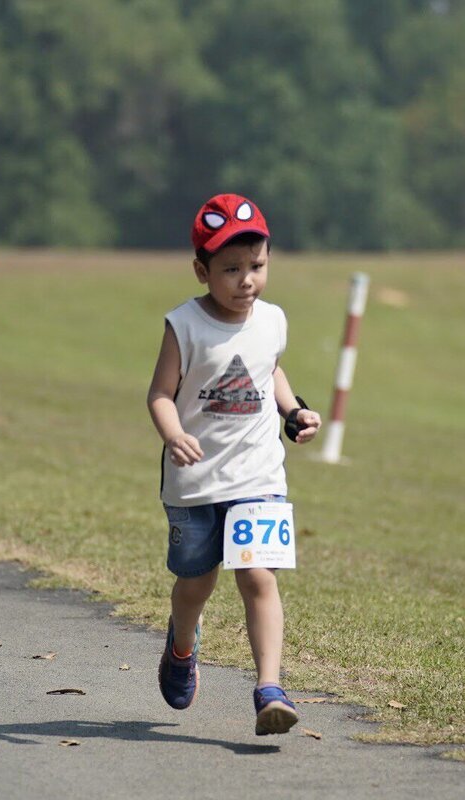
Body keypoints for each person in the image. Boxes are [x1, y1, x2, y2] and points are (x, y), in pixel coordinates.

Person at [146, 193, 323, 735]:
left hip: (257, 476)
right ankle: (181, 646)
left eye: (257, 266)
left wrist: (293, 411)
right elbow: (159, 393)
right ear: (202, 270)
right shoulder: (185, 325)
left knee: (258, 577)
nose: (246, 280)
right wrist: (174, 433)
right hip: (195, 481)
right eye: (230, 269)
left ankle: (270, 687)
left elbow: (269, 372)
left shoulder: (271, 321)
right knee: (196, 585)